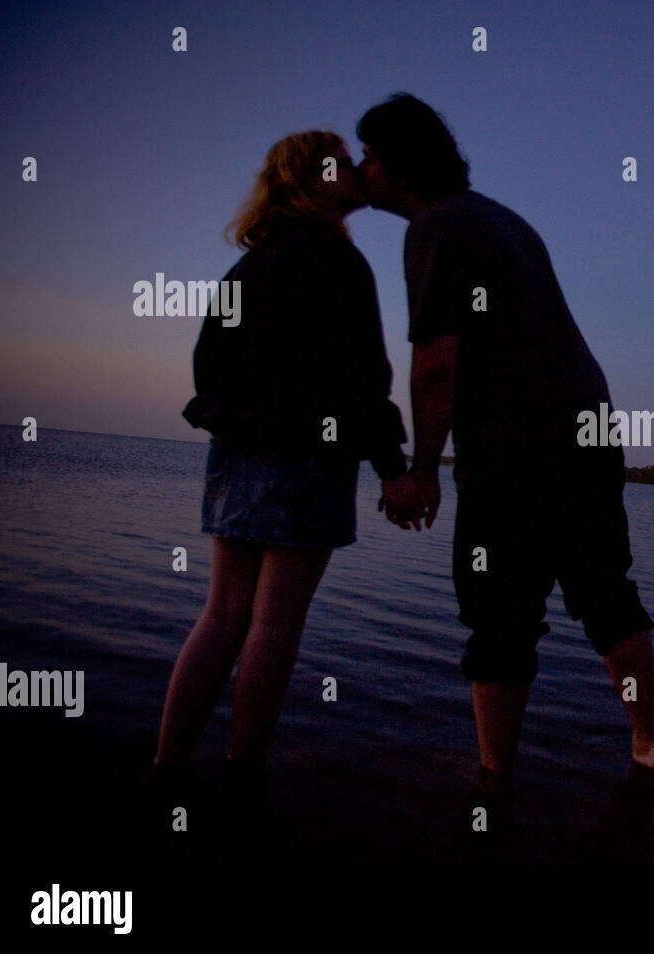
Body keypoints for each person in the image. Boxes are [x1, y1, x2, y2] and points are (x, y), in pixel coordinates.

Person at [358, 94, 654, 803]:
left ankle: (493, 781)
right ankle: (651, 745)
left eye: (370, 155)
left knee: (499, 617)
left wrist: (420, 471)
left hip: (515, 450)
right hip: (586, 432)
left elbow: (438, 360)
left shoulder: (436, 226)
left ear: (402, 166)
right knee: (605, 594)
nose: (361, 167)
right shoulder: (505, 220)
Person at [152, 130, 413, 812]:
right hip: (307, 457)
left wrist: (238, 419)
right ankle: (243, 777)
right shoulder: (337, 264)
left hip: (236, 451)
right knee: (273, 625)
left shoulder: (253, 263)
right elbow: (365, 380)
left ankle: (168, 768)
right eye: (340, 162)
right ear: (309, 180)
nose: (356, 168)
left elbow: (209, 362)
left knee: (223, 613)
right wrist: (393, 467)